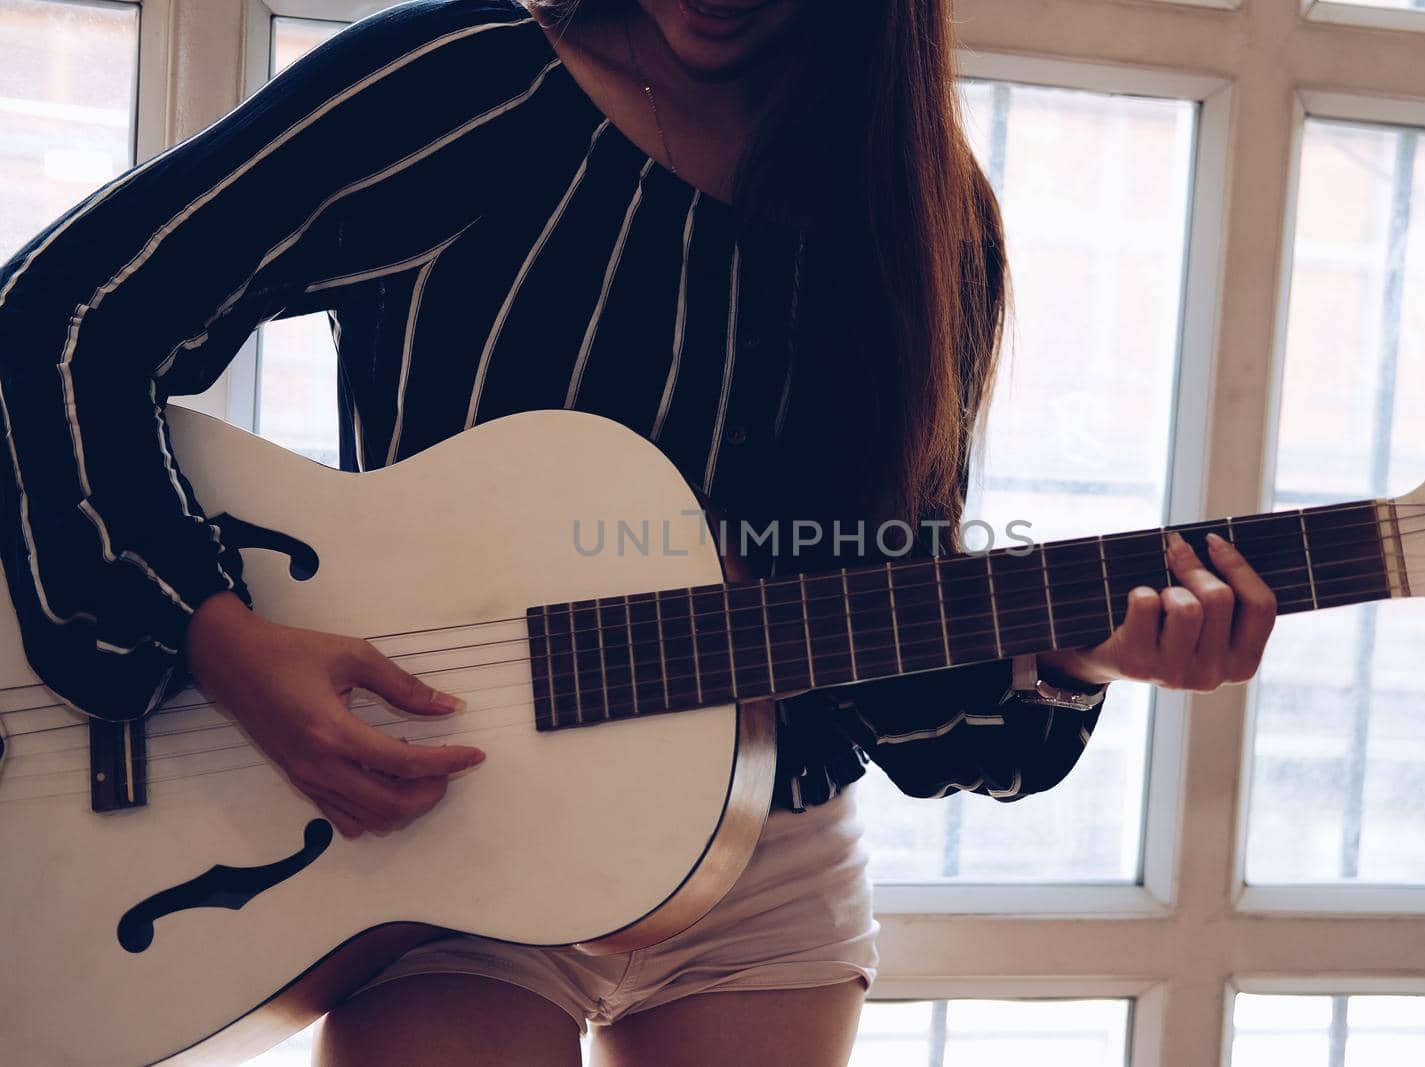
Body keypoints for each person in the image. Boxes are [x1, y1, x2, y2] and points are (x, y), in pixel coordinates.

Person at [0, 0, 1277, 1063]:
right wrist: (215, 637)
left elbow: (887, 615)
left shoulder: (922, 220)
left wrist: (1081, 655)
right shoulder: (468, 89)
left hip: (760, 859)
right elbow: (61, 314)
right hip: (436, 822)